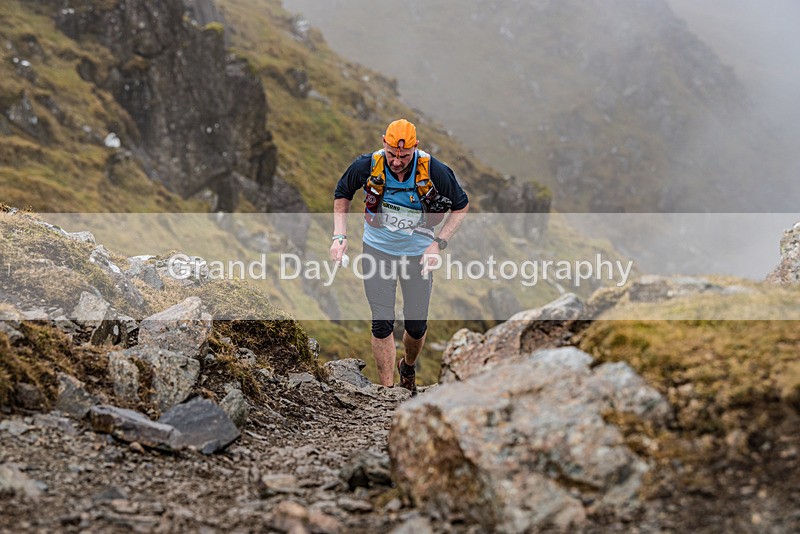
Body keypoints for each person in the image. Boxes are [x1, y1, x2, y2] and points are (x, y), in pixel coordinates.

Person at [330, 119, 469, 395]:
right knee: (382, 322)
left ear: (415, 147)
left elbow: (461, 206)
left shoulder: (434, 170)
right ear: (384, 142)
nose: (396, 161)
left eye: (403, 156)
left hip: (417, 255)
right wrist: (339, 236)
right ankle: (389, 392)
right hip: (377, 250)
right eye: (392, 153)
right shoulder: (366, 165)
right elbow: (342, 194)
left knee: (416, 326)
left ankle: (408, 366)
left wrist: (438, 243)